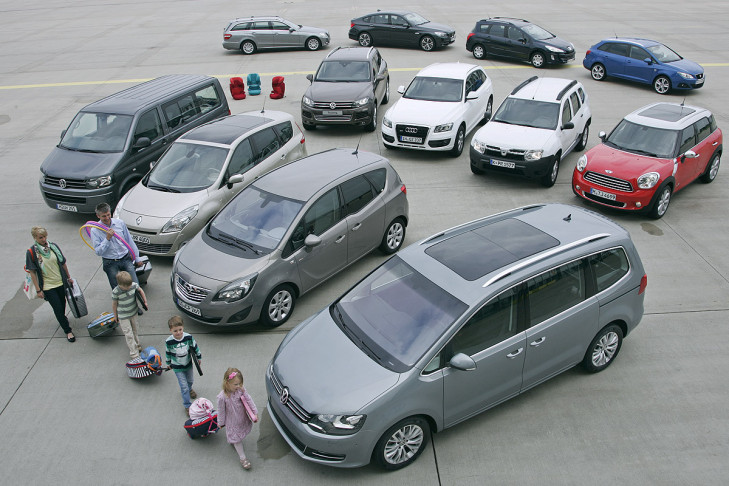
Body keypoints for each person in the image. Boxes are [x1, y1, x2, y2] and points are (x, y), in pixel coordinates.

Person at [25, 226, 76, 342]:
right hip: (48, 286)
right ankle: (68, 330)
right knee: (57, 308)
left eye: (45, 236)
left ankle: (62, 319)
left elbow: (63, 263)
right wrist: (38, 290)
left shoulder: (53, 247)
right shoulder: (31, 252)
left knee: (62, 305)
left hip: (60, 282)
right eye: (40, 237)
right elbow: (32, 272)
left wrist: (69, 277)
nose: (44, 239)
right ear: (35, 238)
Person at [90, 202, 143, 290]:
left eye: (108, 215)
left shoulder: (120, 223)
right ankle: (121, 303)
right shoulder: (95, 230)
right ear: (98, 216)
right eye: (104, 216)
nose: (107, 218)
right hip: (110, 262)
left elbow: (129, 241)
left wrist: (137, 258)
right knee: (117, 289)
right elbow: (98, 251)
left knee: (135, 285)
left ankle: (137, 301)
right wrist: (107, 239)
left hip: (125, 258)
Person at [217, 368, 258, 470]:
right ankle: (243, 458)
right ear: (227, 383)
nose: (238, 386)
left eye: (240, 383)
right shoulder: (222, 397)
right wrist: (221, 423)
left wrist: (254, 412)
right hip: (232, 422)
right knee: (237, 440)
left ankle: (232, 441)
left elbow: (249, 400)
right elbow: (221, 411)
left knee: (236, 437)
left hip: (241, 418)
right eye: (236, 384)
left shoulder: (241, 390)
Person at [165, 316, 202, 415]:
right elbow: (168, 353)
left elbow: (195, 347)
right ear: (170, 330)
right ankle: (187, 405)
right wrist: (168, 363)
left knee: (190, 380)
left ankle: (190, 389)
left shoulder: (188, 337)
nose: (178, 333)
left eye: (180, 329)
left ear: (183, 328)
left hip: (188, 364)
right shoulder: (169, 342)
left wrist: (199, 357)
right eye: (175, 331)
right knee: (183, 386)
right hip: (177, 367)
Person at [112, 271, 147, 359]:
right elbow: (114, 304)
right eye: (127, 286)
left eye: (130, 285)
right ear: (120, 284)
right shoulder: (116, 291)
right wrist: (115, 316)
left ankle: (137, 345)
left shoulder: (133, 285)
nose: (129, 287)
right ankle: (134, 353)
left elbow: (140, 290)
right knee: (128, 334)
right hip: (123, 315)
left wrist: (145, 301)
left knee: (135, 329)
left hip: (133, 312)